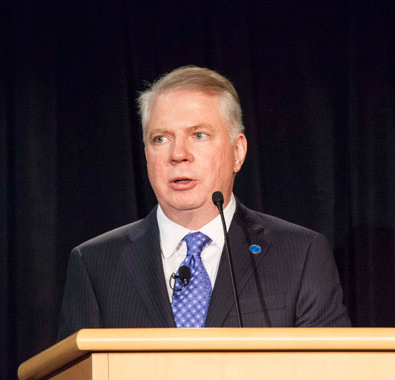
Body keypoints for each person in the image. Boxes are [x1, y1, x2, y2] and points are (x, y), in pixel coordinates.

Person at [57, 66, 350, 339]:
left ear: (237, 152)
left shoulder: (300, 254)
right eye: (161, 139)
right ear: (146, 154)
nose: (178, 154)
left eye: (198, 135)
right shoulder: (94, 264)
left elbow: (332, 378)